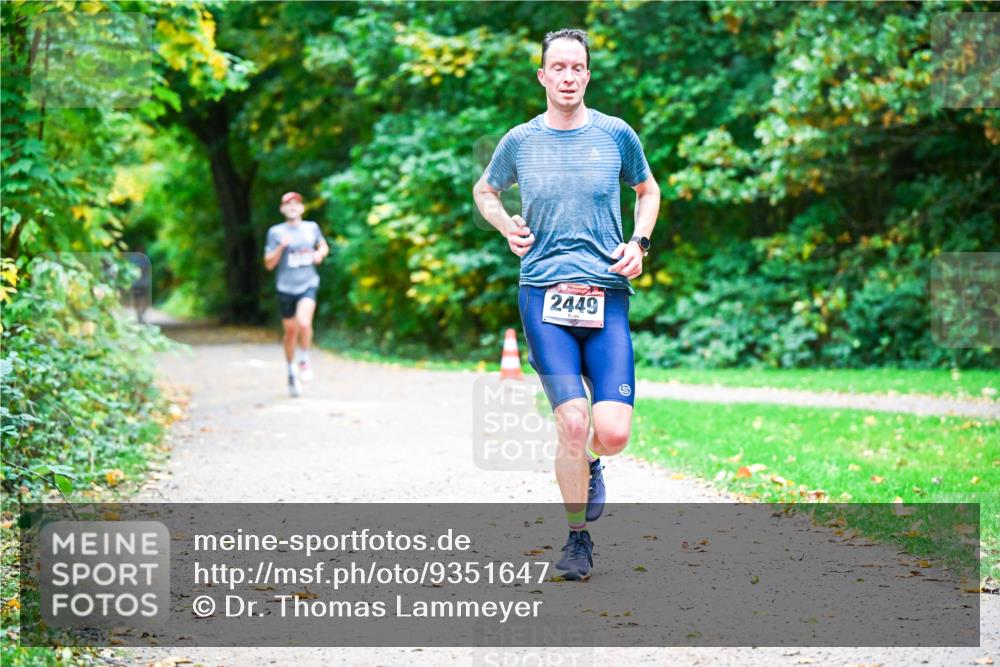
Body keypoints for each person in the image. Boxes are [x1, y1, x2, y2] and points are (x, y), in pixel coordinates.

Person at [472, 29, 660, 580]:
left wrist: (639, 245)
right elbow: (486, 190)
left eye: (578, 67)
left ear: (587, 75)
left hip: (607, 296)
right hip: (543, 296)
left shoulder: (615, 135)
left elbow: (648, 192)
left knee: (613, 433)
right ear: (543, 76)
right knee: (573, 424)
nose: (569, 76)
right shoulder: (521, 141)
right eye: (559, 67)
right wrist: (507, 225)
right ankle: (577, 540)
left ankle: (594, 462)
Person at [264, 192, 329, 397]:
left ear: (302, 208)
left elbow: (323, 245)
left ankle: (305, 359)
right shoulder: (275, 232)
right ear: (282, 209)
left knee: (304, 322)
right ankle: (291, 370)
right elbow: (268, 264)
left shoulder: (311, 228)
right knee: (290, 332)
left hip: (308, 283)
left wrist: (320, 254)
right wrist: (281, 246)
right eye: (287, 204)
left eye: (296, 203)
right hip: (285, 287)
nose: (292, 206)